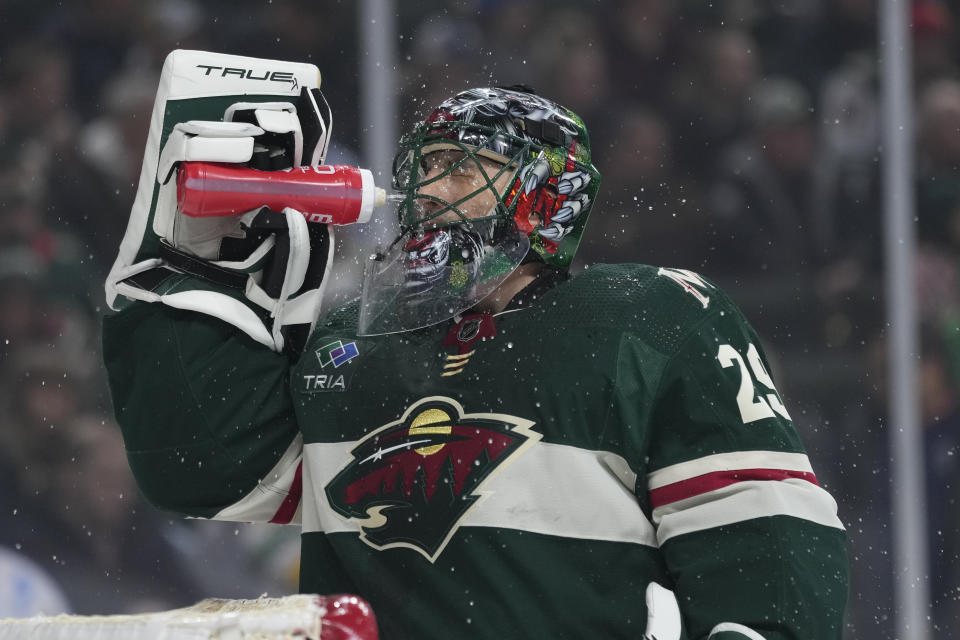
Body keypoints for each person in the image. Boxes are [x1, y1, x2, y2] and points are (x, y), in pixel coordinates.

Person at [103, 80, 848, 639]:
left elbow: (760, 521)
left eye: (464, 166)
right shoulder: (351, 340)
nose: (430, 189)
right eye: (426, 167)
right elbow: (201, 470)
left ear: (547, 192)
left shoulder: (649, 318)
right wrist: (189, 286)